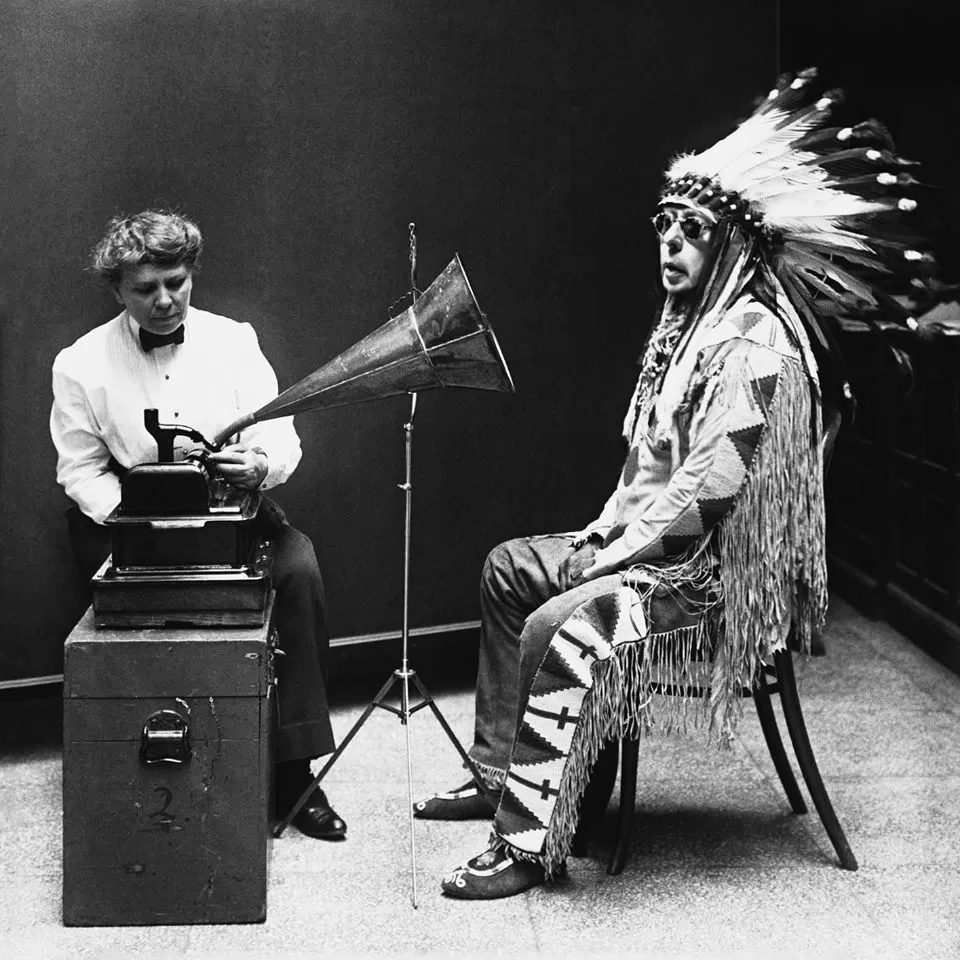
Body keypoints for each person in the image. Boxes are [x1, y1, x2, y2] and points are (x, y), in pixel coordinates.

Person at [415, 68, 934, 899]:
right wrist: (604, 535)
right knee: (510, 569)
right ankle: (498, 773)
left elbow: (708, 498)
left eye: (692, 232)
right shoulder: (692, 330)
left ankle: (527, 841)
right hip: (652, 552)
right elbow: (651, 469)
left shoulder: (754, 346)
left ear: (732, 249)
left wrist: (610, 558)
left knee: (560, 619)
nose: (670, 245)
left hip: (707, 582)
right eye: (665, 227)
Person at [50, 209, 347, 841]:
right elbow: (79, 470)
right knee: (137, 604)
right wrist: (140, 518)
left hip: (228, 505)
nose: (164, 301)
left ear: (192, 275)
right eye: (145, 288)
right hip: (128, 517)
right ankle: (157, 763)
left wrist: (259, 465)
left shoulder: (235, 341)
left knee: (297, 571)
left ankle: (293, 774)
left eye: (176, 283)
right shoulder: (78, 363)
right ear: (117, 289)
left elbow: (280, 436)